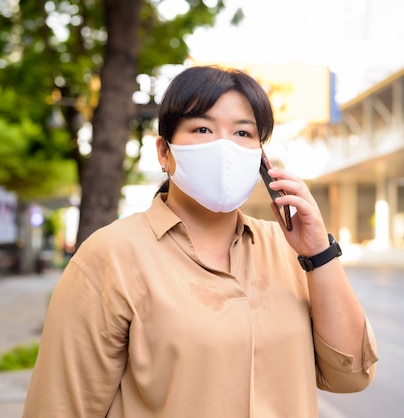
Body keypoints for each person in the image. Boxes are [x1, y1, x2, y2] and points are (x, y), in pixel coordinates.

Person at [23, 65, 378, 417]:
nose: (224, 147)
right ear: (164, 152)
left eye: (243, 133)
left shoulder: (289, 249)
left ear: (261, 157)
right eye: (203, 128)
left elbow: (352, 376)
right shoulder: (110, 255)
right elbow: (59, 406)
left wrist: (319, 253)